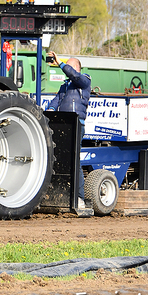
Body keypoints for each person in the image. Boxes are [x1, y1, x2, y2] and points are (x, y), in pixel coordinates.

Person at [45, 51, 91, 209]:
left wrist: (60, 63)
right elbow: (56, 99)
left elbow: (74, 76)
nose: (66, 70)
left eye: (70, 67)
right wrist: (50, 109)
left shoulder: (84, 81)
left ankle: (79, 198)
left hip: (77, 124)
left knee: (74, 160)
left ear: (77, 68)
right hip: (63, 125)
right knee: (57, 159)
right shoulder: (64, 86)